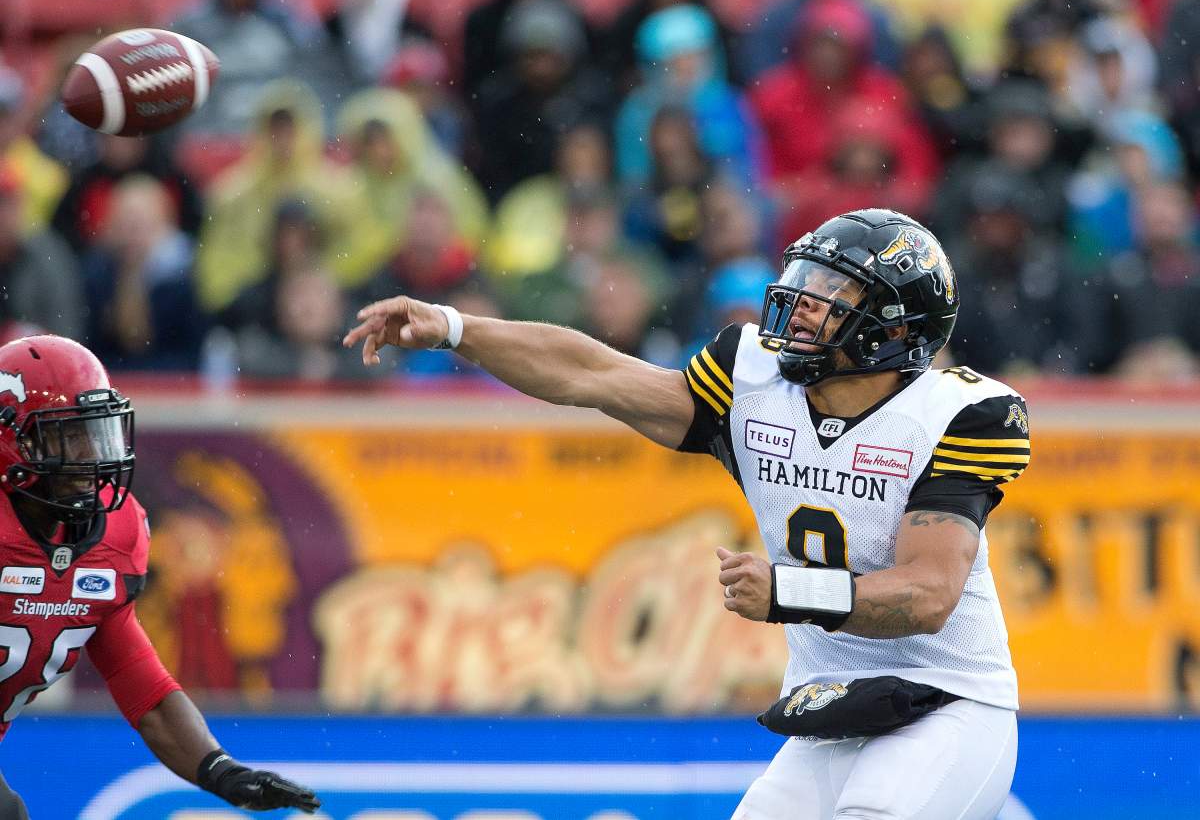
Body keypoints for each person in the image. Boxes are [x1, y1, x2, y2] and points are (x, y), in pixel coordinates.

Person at [345, 209, 1027, 819]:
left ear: (894, 326)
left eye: (834, 293)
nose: (804, 304)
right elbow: (593, 374)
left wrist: (786, 591)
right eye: (809, 282)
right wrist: (456, 329)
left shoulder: (954, 416)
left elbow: (928, 594)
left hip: (949, 706)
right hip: (837, 706)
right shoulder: (754, 378)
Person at [0, 335, 320, 817]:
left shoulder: (115, 535)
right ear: (12, 442)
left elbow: (139, 681)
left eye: (98, 433)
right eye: (70, 438)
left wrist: (219, 770)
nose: (92, 458)